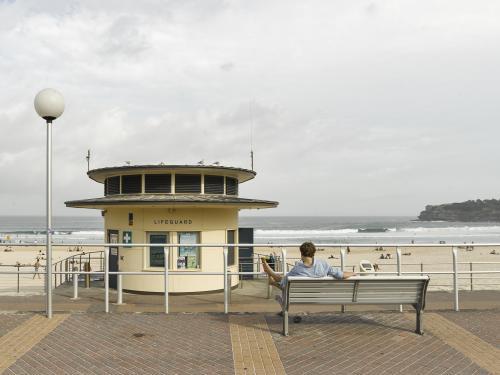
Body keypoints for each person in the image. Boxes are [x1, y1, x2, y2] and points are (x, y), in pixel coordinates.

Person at [261, 242, 355, 289]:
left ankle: (271, 276)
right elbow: (340, 274)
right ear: (313, 253)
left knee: (284, 281)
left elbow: (284, 282)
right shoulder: (323, 264)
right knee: (284, 280)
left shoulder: (298, 268)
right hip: (319, 294)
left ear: (301, 253)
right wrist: (353, 273)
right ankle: (271, 277)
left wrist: (275, 278)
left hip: (297, 295)